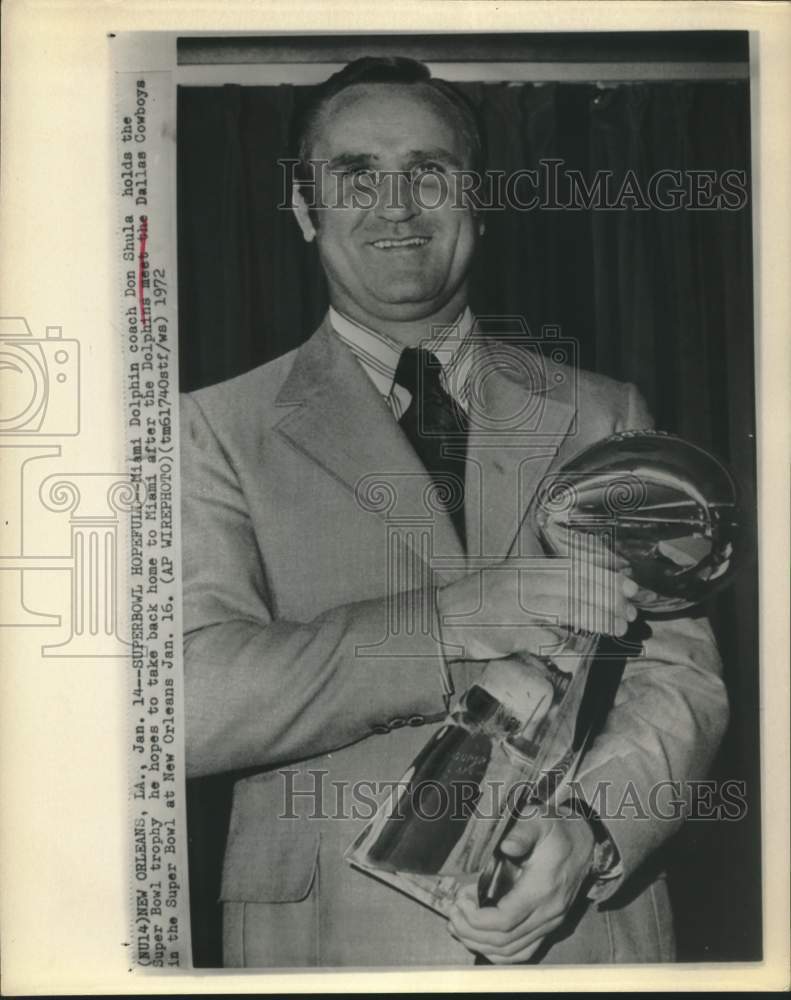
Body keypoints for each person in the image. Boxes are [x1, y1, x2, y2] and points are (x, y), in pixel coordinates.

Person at [179, 56, 728, 967]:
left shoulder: (603, 411)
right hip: (329, 949)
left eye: (429, 172)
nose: (396, 207)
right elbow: (186, 705)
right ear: (304, 207)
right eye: (355, 175)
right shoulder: (213, 428)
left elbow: (679, 676)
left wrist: (591, 834)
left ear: (478, 199)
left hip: (582, 935)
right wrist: (441, 628)